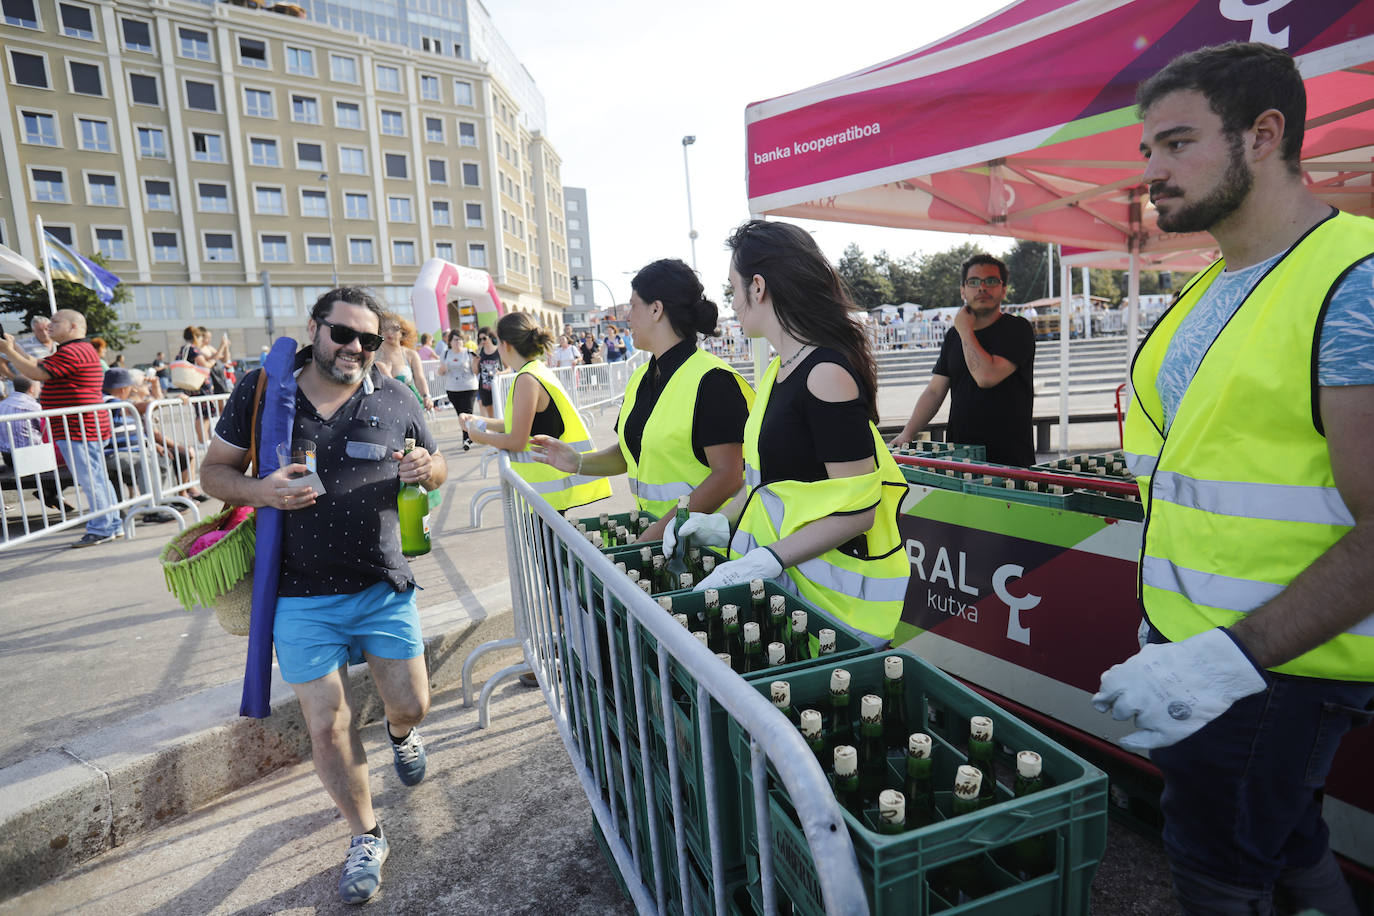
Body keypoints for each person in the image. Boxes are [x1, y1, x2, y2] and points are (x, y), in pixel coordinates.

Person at [1091, 43, 1374, 916]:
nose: (1152, 173)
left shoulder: (1352, 281)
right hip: (1197, 647)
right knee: (1288, 846)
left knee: (1218, 873)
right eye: (1147, 152)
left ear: (1264, 134)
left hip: (1272, 662)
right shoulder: (1217, 284)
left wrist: (1225, 661)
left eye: (1177, 144)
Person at [200, 287, 447, 905]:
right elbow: (214, 473)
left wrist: (427, 470)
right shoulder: (263, 391)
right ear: (314, 328)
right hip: (300, 595)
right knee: (328, 726)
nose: (355, 349)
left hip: (382, 584)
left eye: (369, 339)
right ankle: (366, 834)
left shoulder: (395, 394)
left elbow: (437, 462)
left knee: (412, 703)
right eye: (343, 334)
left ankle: (400, 733)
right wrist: (262, 492)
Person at [666, 221, 910, 643]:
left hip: (836, 617)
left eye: (733, 289)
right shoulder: (781, 370)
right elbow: (771, 489)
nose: (733, 303)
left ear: (757, 287)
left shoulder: (825, 374)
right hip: (795, 604)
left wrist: (765, 560)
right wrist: (719, 524)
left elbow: (859, 511)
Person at [531, 259, 752, 540]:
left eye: (633, 305)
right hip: (662, 546)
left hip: (706, 550)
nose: (628, 318)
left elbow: (727, 477)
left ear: (656, 310)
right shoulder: (641, 377)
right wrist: (578, 462)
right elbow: (632, 450)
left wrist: (656, 534)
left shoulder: (713, 381)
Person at [889, 254, 1035, 466]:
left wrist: (965, 329)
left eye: (991, 281)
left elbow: (986, 377)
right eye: (973, 282)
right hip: (960, 456)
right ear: (963, 290)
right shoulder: (953, 335)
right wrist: (908, 433)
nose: (982, 288)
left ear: (1003, 289)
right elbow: (935, 390)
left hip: (1010, 458)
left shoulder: (1017, 328)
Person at [459, 312, 611, 511]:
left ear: (505, 345)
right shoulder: (535, 371)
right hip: (544, 493)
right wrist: (481, 421)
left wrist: (479, 436)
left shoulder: (526, 379)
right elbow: (520, 424)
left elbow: (517, 440)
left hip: (543, 495)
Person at [0, 309, 123, 547]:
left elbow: (37, 372)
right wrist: (14, 349)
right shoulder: (73, 350)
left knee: (91, 480)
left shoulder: (74, 351)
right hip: (81, 426)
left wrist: (8, 352)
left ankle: (101, 528)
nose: (49, 326)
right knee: (97, 478)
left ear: (74, 327)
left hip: (78, 428)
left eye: (56, 322)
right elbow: (38, 364)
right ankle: (110, 524)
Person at [373, 314, 433, 412]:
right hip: (383, 408)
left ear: (403, 332)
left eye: (395, 328)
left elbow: (419, 378)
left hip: (409, 406)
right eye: (385, 328)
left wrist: (426, 396)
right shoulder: (373, 355)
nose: (389, 332)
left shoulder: (410, 354)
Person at [437, 328, 478, 450]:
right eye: (456, 339)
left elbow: (475, 371)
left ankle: (467, 438)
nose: (458, 342)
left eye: (461, 339)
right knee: (460, 414)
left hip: (469, 387)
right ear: (450, 341)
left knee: (467, 413)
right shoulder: (445, 354)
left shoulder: (469, 353)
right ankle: (469, 435)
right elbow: (440, 372)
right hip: (452, 389)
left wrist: (476, 362)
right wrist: (442, 369)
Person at [0, 376, 43, 468]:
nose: (40, 390)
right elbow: (45, 430)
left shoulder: (2, 405)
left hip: (8, 457)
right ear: (32, 389)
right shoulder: (32, 406)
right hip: (31, 456)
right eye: (39, 386)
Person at [474, 326, 503, 419]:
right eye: (480, 339)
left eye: (484, 338)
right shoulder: (480, 352)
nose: (482, 341)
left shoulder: (498, 351)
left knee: (500, 411)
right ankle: (495, 432)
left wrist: (500, 373)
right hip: (484, 386)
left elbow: (509, 368)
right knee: (490, 414)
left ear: (490, 337)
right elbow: (476, 372)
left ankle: (501, 431)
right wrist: (475, 362)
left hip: (497, 385)